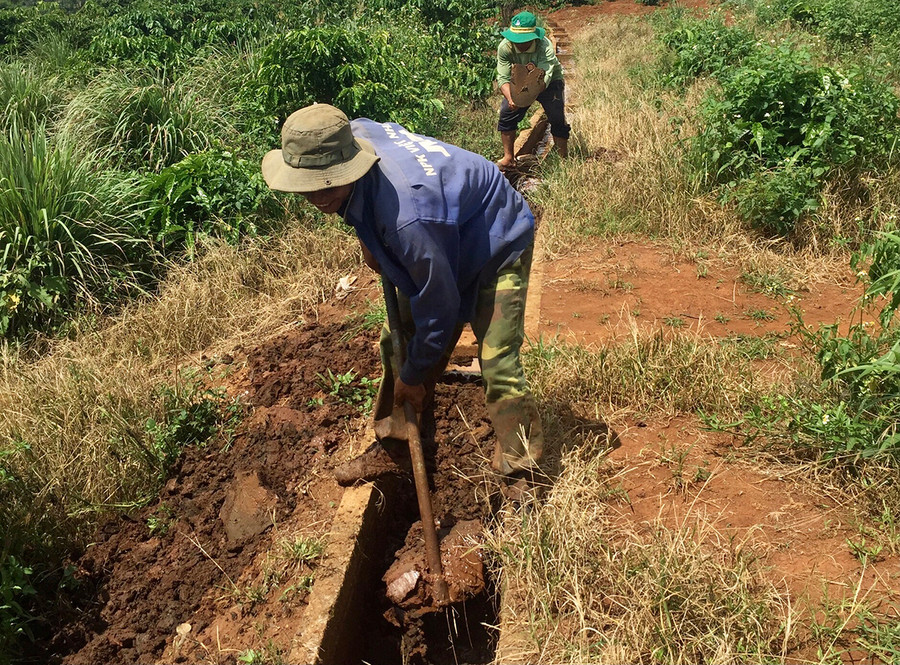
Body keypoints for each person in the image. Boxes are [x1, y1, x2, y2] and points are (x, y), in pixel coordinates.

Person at [261, 104, 544, 485]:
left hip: (496, 238)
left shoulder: (408, 221)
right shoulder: (349, 134)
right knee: (398, 342)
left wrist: (413, 376)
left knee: (498, 361)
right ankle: (396, 449)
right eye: (308, 185)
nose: (317, 195)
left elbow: (440, 308)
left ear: (350, 166)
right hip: (443, 231)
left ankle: (521, 472)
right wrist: (368, 240)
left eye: (328, 184)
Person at [496, 10, 570, 169]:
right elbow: (503, 78)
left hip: (548, 82)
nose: (519, 44)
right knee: (506, 113)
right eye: (516, 40)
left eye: (523, 40)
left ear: (533, 38)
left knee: (556, 116)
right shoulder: (505, 47)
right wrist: (511, 99)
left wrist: (526, 97)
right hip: (520, 80)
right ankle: (509, 158)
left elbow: (544, 78)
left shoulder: (544, 46)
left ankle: (562, 158)